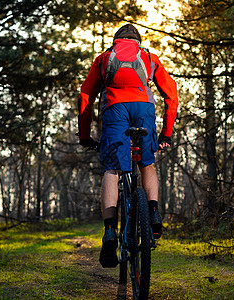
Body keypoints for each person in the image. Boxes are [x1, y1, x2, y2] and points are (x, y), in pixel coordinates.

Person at [78, 24, 178, 268]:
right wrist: (166, 133)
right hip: (144, 108)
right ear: (137, 41)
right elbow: (171, 95)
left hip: (115, 109)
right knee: (147, 163)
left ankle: (110, 231)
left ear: (116, 41)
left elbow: (85, 96)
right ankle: (153, 212)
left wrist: (85, 135)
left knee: (112, 169)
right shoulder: (148, 57)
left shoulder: (103, 59)